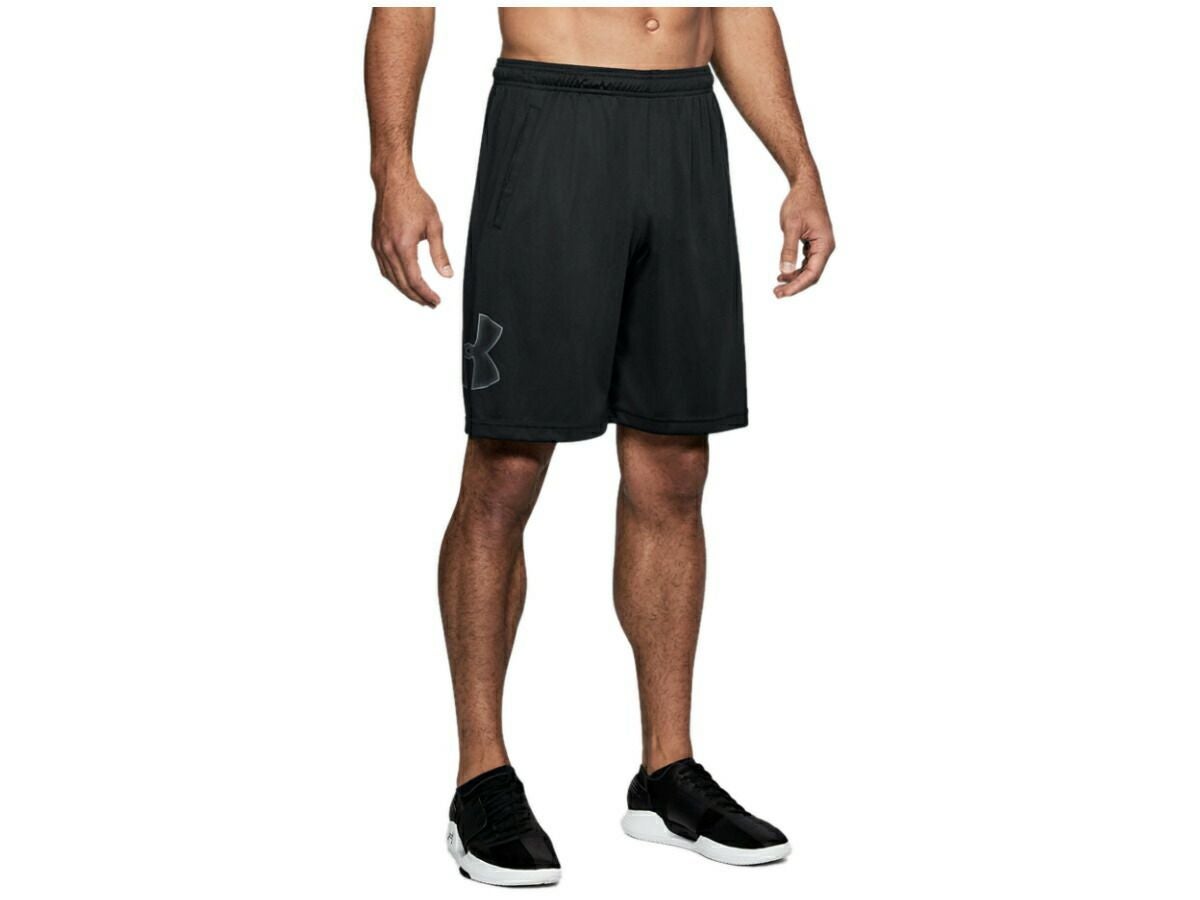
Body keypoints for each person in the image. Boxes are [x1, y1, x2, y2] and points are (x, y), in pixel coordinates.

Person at [365, 7, 834, 886]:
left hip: (684, 128)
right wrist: (394, 170)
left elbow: (738, 11)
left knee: (676, 464)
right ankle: (481, 777)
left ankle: (666, 773)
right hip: (552, 117)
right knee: (508, 465)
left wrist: (799, 168)